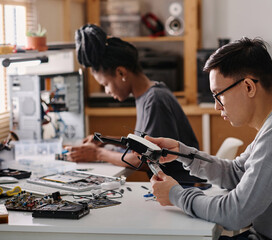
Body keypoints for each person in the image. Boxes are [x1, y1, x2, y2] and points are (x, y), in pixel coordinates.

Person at [148, 38, 272, 239]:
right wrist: (183, 153)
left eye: (219, 95)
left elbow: (235, 213)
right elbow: (236, 173)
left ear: (249, 87)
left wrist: (176, 195)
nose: (217, 106)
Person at [67, 24, 204, 183]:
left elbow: (147, 160)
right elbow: (144, 143)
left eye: (105, 84)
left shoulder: (154, 101)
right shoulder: (151, 93)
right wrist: (105, 140)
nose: (106, 91)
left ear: (121, 73)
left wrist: (98, 154)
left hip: (180, 192)